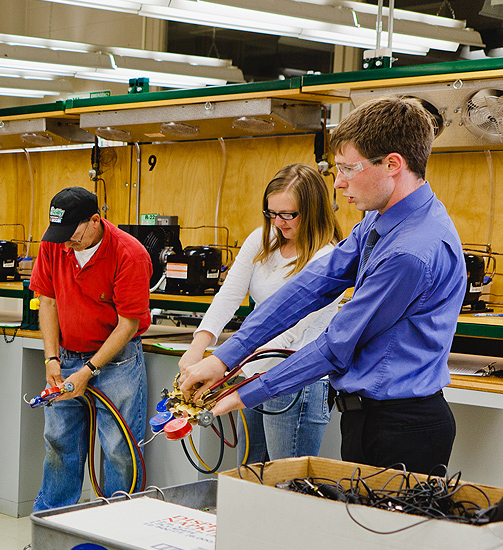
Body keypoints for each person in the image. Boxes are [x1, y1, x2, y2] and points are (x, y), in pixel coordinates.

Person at [180, 96, 465, 475]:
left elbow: (336, 346)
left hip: (402, 427)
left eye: (348, 168)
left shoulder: (411, 251)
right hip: (367, 418)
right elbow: (311, 287)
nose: (340, 183)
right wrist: (224, 357)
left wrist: (240, 394)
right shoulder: (379, 222)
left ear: (393, 165)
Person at [178, 164, 343, 463]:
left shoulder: (328, 258)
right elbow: (228, 296)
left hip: (296, 382)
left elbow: (289, 330)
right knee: (250, 473)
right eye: (271, 213)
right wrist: (196, 350)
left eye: (287, 215)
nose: (278, 222)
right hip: (252, 375)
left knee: (286, 485)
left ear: (313, 210)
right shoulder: (261, 240)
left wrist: (222, 367)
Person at [30, 186, 151, 512]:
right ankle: (51, 529)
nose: (65, 241)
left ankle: (117, 530)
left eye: (73, 233)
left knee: (118, 449)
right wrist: (51, 357)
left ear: (96, 220)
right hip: (67, 355)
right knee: (59, 443)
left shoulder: (130, 254)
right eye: (60, 234)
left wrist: (89, 370)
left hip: (117, 364)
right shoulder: (54, 245)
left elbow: (127, 325)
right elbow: (48, 300)